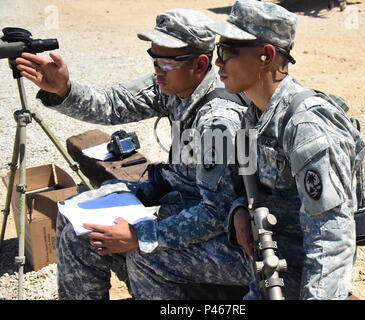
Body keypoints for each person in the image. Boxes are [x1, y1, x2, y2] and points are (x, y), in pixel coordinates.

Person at [15, 8, 252, 299]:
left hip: (220, 230)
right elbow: (115, 103)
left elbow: (217, 214)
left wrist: (141, 236)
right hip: (181, 202)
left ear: (200, 64)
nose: (156, 69)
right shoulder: (175, 83)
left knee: (142, 255)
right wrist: (64, 89)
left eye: (164, 61)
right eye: (153, 57)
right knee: (75, 218)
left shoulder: (218, 121)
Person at [207, 0, 365, 299]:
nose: (218, 62)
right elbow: (249, 185)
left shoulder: (306, 126)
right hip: (268, 267)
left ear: (265, 56)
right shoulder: (252, 114)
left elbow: (331, 239)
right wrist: (239, 209)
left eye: (227, 51)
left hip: (301, 277)